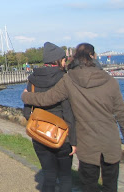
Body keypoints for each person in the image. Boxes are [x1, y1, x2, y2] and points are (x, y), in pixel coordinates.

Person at [22, 43, 124, 192]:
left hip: (87, 143)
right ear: (93, 57)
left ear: (75, 58)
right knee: (110, 185)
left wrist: (26, 96)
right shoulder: (110, 81)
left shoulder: (69, 80)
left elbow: (47, 99)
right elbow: (121, 113)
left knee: (88, 186)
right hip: (110, 141)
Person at [22, 42, 76, 192]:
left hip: (39, 134)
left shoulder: (32, 79)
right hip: (62, 134)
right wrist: (73, 140)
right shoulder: (64, 79)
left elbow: (27, 112)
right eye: (64, 59)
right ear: (58, 60)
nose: (65, 62)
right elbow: (68, 111)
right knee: (65, 176)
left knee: (49, 176)